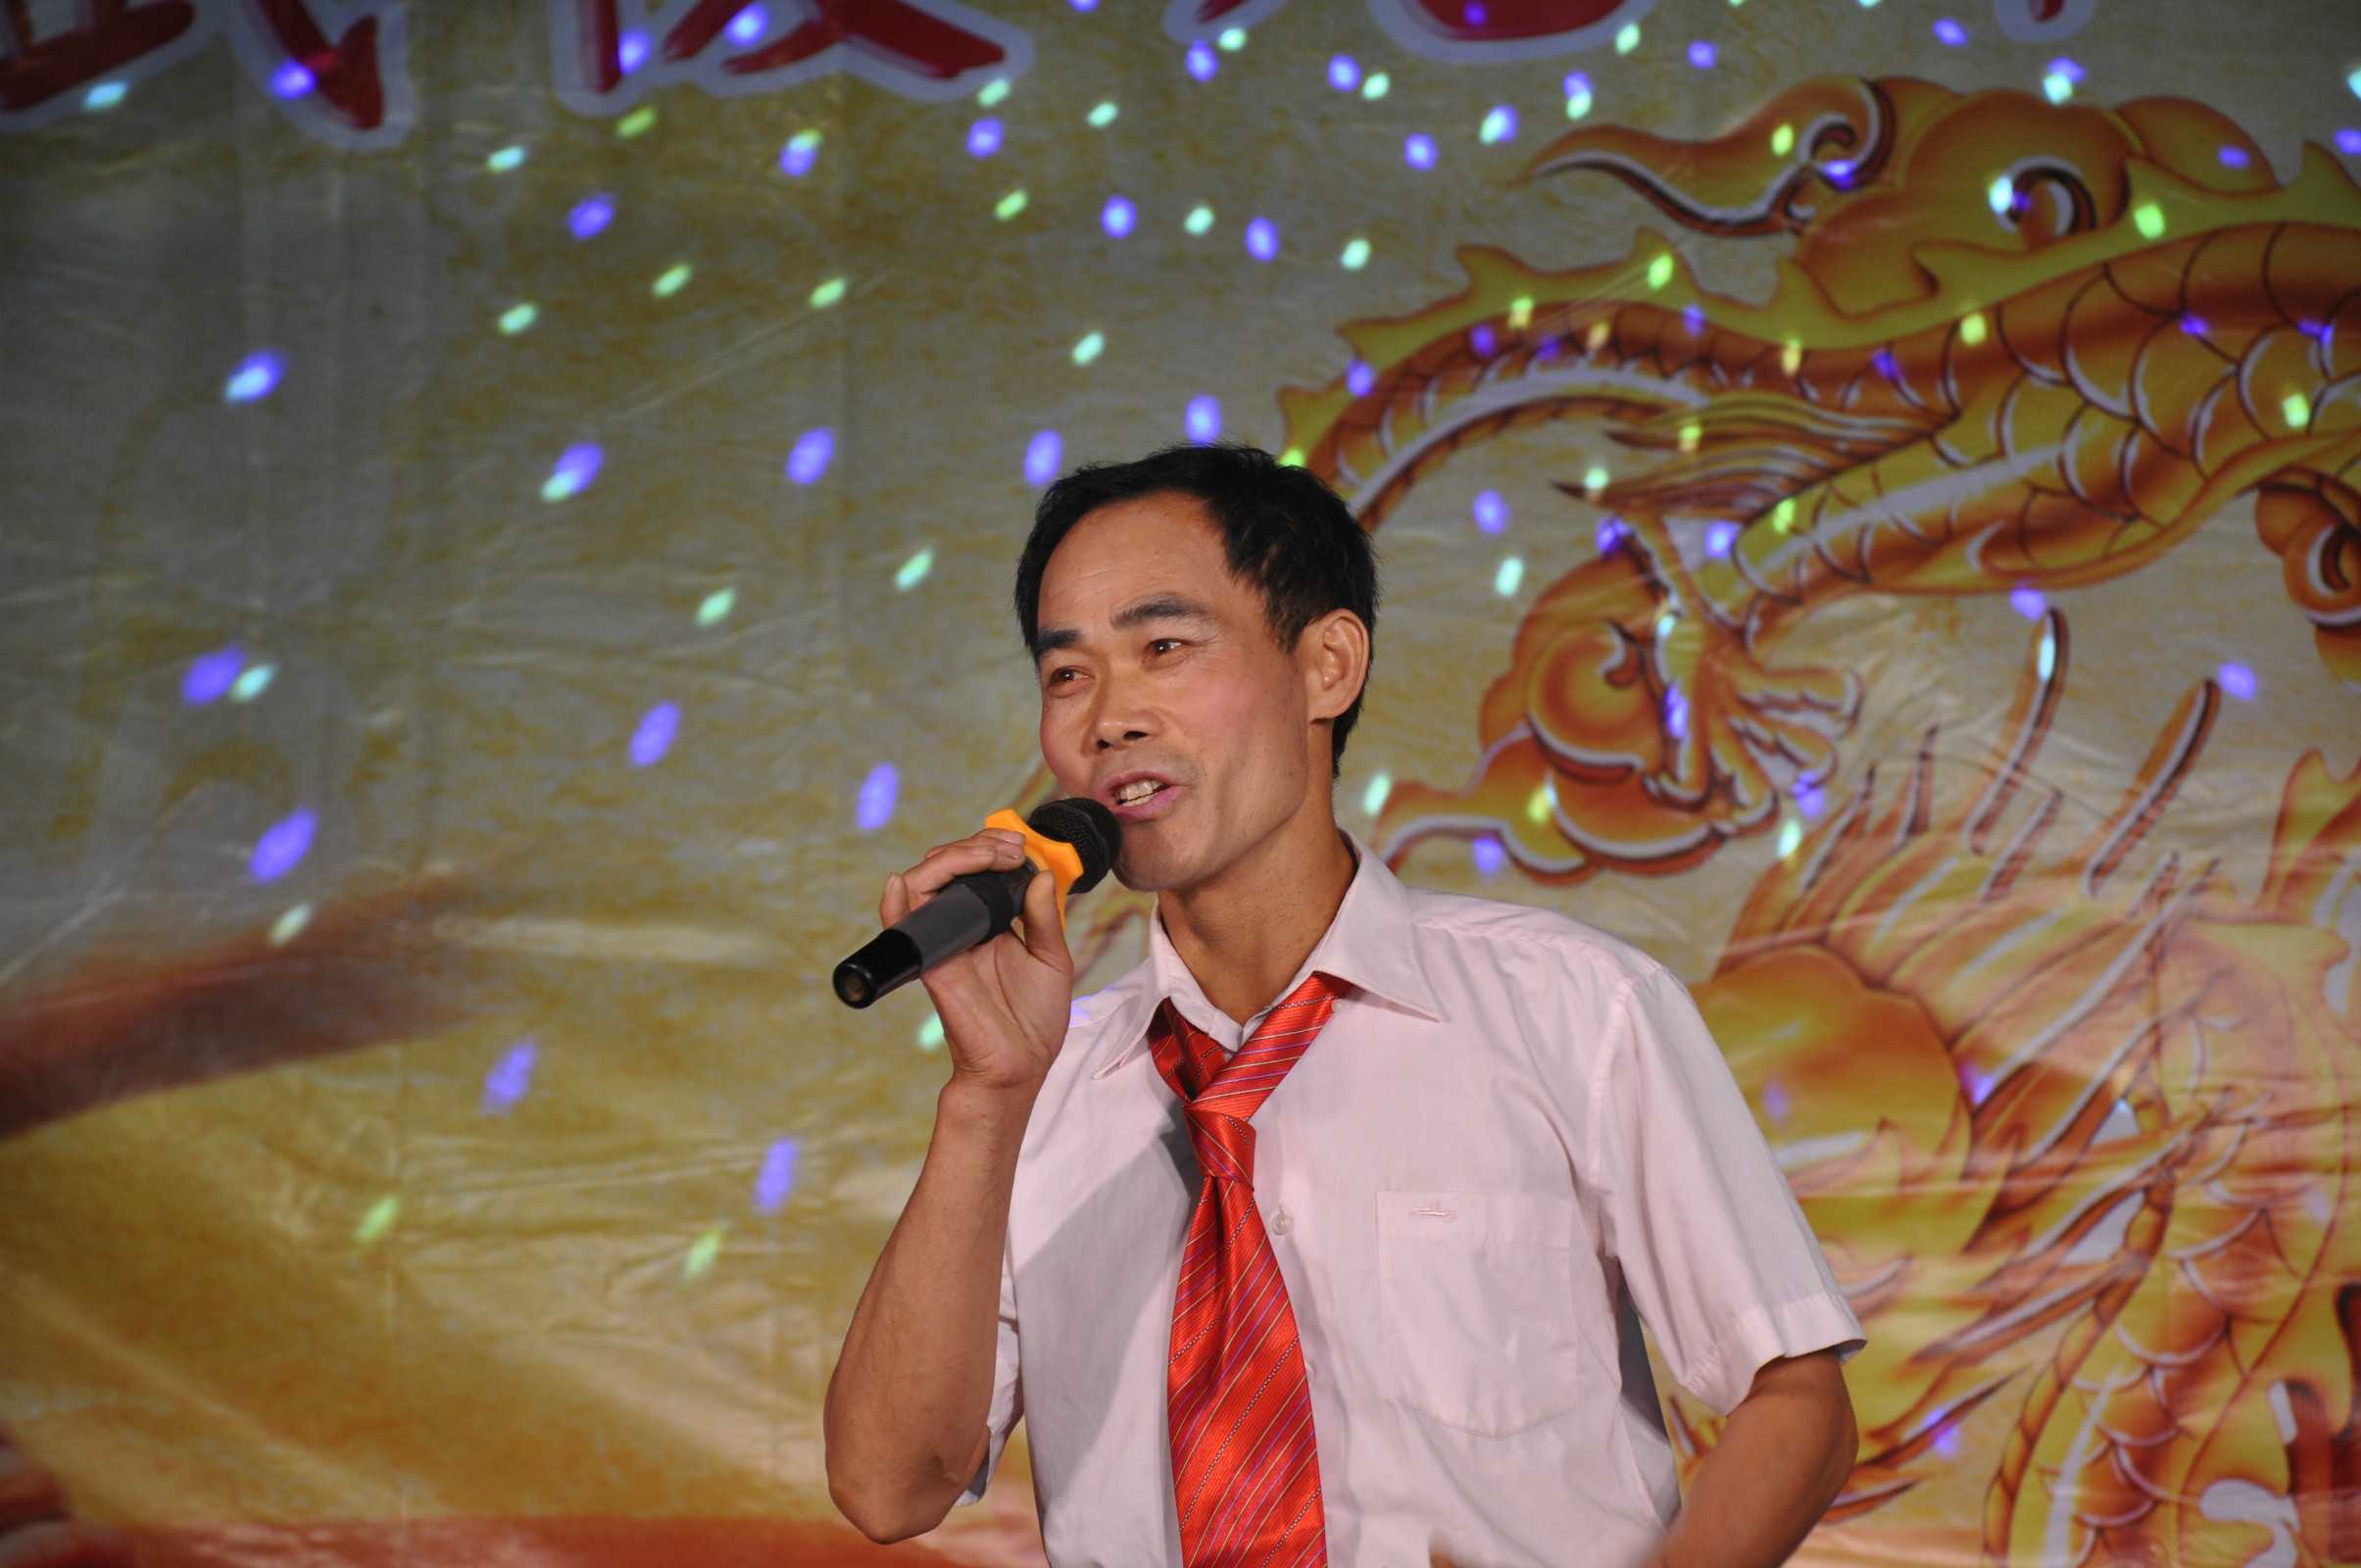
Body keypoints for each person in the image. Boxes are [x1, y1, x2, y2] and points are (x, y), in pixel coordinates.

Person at [823, 443, 1864, 1568]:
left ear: (1327, 664)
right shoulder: (1045, 1082)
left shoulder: (1573, 1008)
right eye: (1067, 673)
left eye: (1164, 647)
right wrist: (987, 1095)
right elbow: (889, 1486)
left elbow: (1796, 1398)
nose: (1109, 717)